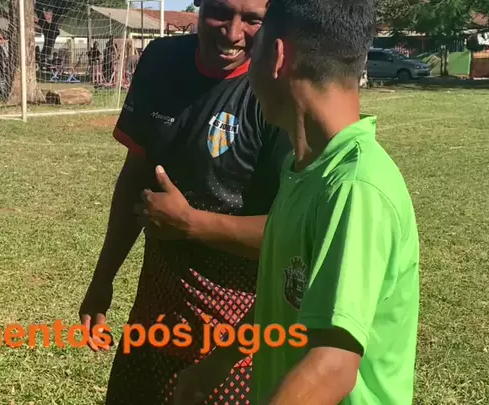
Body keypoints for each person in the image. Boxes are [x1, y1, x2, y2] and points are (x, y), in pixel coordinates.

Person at [173, 0, 420, 404]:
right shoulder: (303, 169)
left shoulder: (355, 188)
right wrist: (219, 361)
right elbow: (287, 297)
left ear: (277, 56)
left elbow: (333, 365)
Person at [77, 0, 291, 403]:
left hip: (234, 338)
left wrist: (192, 223)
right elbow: (135, 178)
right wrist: (102, 279)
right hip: (155, 311)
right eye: (220, 12)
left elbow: (297, 235)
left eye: (252, 19)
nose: (232, 33)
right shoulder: (162, 61)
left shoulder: (279, 88)